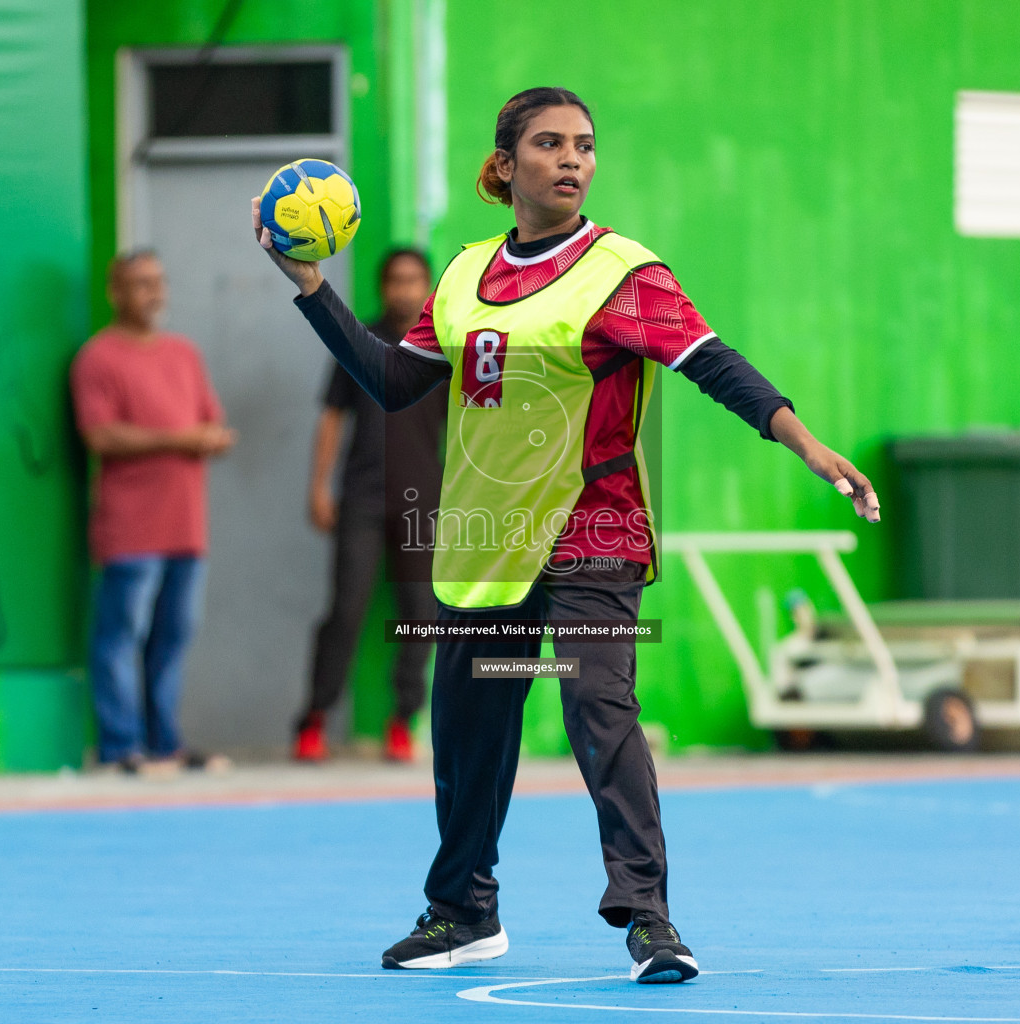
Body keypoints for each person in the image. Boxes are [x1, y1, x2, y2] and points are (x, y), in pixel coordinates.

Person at [250, 88, 879, 984]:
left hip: (594, 528)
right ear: (505, 165)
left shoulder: (624, 272)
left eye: (584, 144)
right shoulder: (464, 273)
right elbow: (392, 382)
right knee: (468, 726)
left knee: (596, 704)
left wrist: (803, 440)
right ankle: (462, 912)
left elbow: (712, 362)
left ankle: (650, 919)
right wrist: (312, 289)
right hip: (484, 538)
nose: (572, 159)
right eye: (549, 144)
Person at [70, 250, 237, 776]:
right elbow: (100, 434)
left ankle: (165, 743)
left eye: (158, 282)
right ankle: (122, 747)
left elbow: (213, 424)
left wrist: (206, 438)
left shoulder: (183, 354)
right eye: (139, 284)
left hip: (186, 528)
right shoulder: (97, 359)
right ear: (114, 292)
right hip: (130, 529)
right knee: (121, 637)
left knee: (172, 638)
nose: (153, 293)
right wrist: (184, 438)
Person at [296, 249, 448, 763]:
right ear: (383, 286)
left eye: (414, 280)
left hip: (422, 503)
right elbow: (332, 417)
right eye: (395, 280)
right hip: (360, 498)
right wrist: (319, 486)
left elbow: (473, 429)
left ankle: (402, 721)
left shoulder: (444, 346)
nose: (404, 289)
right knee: (346, 610)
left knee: (421, 615)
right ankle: (314, 718)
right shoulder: (359, 339)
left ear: (427, 286)